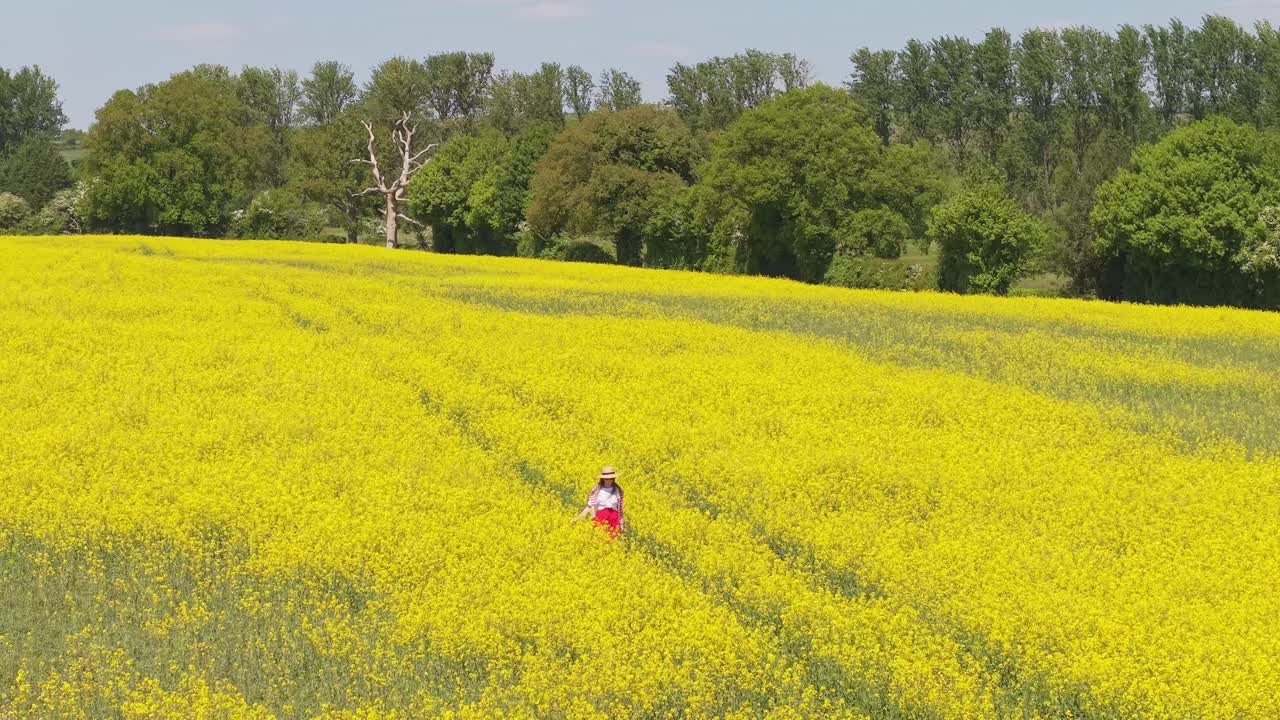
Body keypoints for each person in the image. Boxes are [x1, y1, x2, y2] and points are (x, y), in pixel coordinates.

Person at [574, 466, 624, 538]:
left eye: (611, 478)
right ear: (603, 478)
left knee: (613, 542)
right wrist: (578, 518)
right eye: (607, 479)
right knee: (601, 540)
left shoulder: (618, 490)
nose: (609, 480)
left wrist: (621, 523)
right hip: (601, 518)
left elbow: (620, 509)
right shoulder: (596, 489)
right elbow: (590, 506)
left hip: (614, 519)